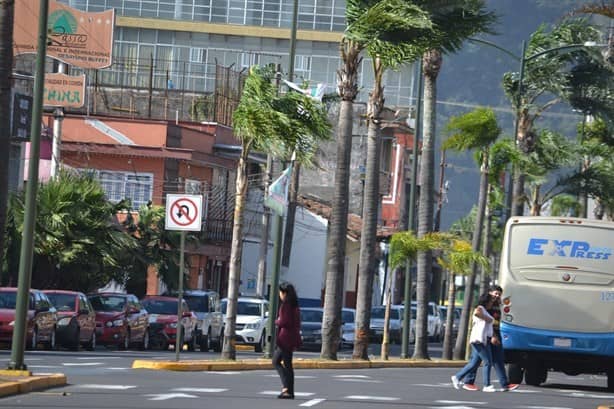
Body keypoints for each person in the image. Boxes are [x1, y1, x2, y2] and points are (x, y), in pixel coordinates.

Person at [461, 285, 519, 392]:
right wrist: (493, 336)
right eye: (495, 293)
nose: (497, 296)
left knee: (498, 360)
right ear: (489, 293)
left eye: (499, 294)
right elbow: (482, 318)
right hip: (485, 335)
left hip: (495, 333)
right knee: (476, 360)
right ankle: (468, 382)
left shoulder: (497, 304)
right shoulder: (485, 304)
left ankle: (504, 384)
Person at [451, 293, 495, 392]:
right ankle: (487, 385)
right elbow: (477, 313)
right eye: (491, 301)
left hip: (483, 340)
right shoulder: (480, 308)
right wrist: (488, 319)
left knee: (474, 363)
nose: (492, 303)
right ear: (486, 301)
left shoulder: (485, 310)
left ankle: (457, 377)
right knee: (488, 362)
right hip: (478, 340)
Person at [273, 282, 301, 399]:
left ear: (284, 293)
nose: (279, 294)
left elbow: (285, 321)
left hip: (285, 338)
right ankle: (288, 389)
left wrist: (277, 321)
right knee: (283, 363)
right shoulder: (294, 305)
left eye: (280, 292)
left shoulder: (286, 305)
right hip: (289, 338)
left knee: (278, 362)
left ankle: (287, 389)